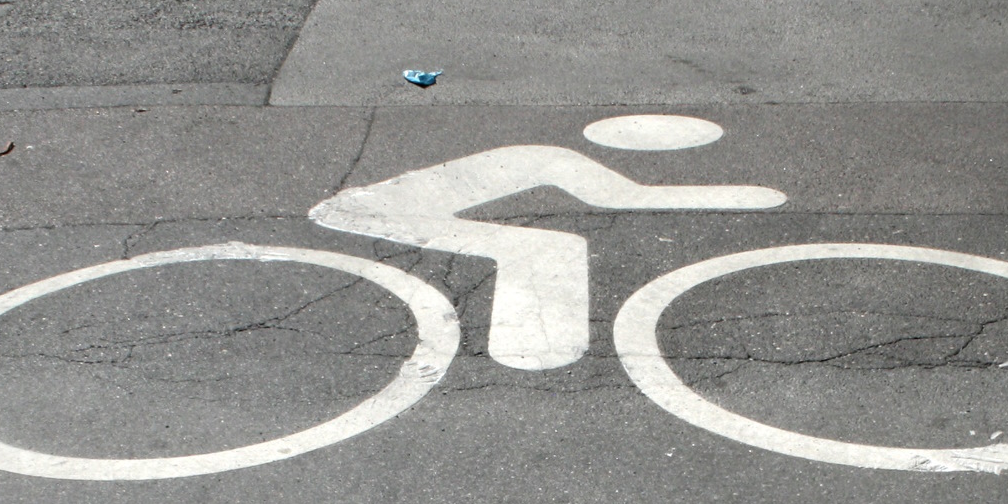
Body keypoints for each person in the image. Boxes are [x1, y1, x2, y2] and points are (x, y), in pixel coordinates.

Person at [310, 140, 784, 370]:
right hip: (366, 212)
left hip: (515, 168)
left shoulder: (536, 160)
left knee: (563, 233)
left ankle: (539, 341)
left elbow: (616, 195)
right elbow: (618, 196)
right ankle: (536, 341)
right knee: (546, 245)